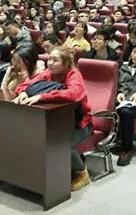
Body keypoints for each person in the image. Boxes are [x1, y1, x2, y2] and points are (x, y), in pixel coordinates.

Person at [13, 47, 93, 190]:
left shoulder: (74, 75)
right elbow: (26, 84)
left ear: (65, 63)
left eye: (55, 60)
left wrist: (41, 96)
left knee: (62, 143)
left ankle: (82, 173)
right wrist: (24, 92)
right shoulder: (48, 73)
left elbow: (73, 94)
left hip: (80, 125)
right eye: (49, 59)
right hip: (57, 122)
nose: (49, 63)